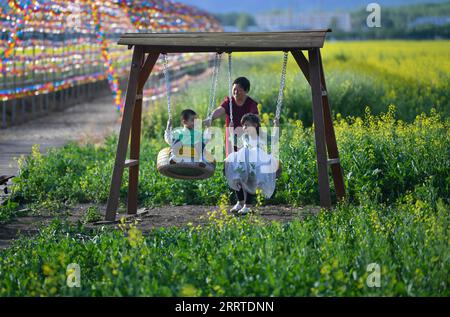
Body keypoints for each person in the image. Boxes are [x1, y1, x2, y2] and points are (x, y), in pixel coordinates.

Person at [203, 77, 259, 211]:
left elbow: (255, 119)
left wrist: (243, 129)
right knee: (234, 171)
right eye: (233, 90)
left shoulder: (251, 104)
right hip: (232, 142)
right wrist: (211, 118)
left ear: (245, 91)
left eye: (238, 91)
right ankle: (239, 201)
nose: (235, 93)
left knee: (248, 172)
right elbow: (220, 110)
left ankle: (248, 205)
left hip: (248, 143)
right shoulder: (229, 102)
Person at [224, 113, 278, 215]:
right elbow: (236, 143)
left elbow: (274, 140)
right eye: (243, 125)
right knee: (237, 175)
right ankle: (240, 202)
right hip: (245, 161)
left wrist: (276, 126)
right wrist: (230, 130)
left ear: (255, 125)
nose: (244, 127)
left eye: (247, 125)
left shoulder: (262, 136)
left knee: (250, 177)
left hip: (258, 162)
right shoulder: (245, 137)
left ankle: (247, 206)